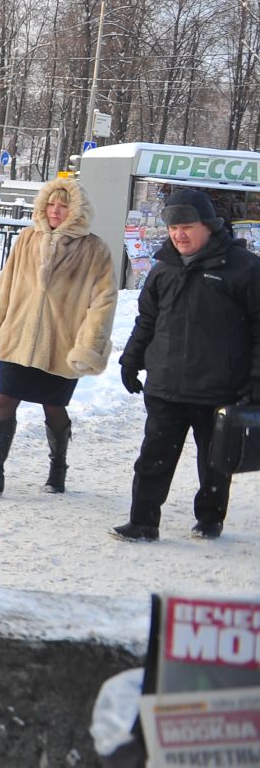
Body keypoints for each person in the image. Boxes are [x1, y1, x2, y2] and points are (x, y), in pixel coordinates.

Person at [113, 188, 260, 541]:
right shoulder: (163, 269)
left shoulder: (245, 269)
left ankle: (209, 517)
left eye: (187, 226)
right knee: (152, 458)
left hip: (220, 387)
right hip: (166, 384)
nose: (179, 234)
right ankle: (143, 522)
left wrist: (255, 378)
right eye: (173, 227)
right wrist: (131, 359)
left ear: (208, 225)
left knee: (214, 461)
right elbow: (147, 320)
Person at [0, 178, 119, 498]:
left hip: (62, 344)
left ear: (76, 210)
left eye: (64, 206)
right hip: (18, 337)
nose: (56, 211)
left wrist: (89, 346)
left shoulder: (94, 249)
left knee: (54, 406)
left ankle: (58, 467)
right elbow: (4, 287)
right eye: (52, 204)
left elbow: (103, 302)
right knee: (6, 400)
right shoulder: (27, 239)